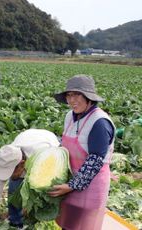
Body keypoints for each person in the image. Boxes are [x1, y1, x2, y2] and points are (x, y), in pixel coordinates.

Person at [48, 75, 115, 230]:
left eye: (77, 94)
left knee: (84, 226)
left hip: (91, 185)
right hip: (70, 181)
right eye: (69, 95)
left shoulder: (100, 122)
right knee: (68, 224)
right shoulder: (69, 116)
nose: (72, 100)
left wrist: (72, 185)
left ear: (89, 97)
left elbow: (95, 161)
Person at [0, 129, 60, 230]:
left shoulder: (41, 155)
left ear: (22, 164)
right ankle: (16, 222)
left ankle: (36, 220)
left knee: (47, 194)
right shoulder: (7, 157)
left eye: (11, 172)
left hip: (50, 145)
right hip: (27, 142)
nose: (9, 176)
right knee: (14, 191)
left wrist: (30, 205)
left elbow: (49, 181)